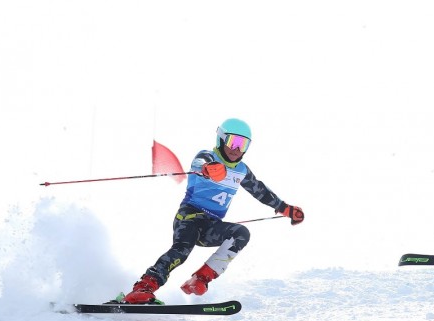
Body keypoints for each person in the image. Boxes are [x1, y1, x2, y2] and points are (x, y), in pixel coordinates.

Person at [122, 118, 304, 304]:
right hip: (190, 217)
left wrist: (285, 209)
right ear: (221, 139)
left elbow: (260, 191)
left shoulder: (241, 170)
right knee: (182, 251)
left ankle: (200, 279)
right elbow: (201, 161)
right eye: (233, 141)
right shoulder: (208, 156)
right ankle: (143, 287)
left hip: (211, 226)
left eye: (242, 144)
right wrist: (207, 168)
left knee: (241, 233)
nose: (236, 149)